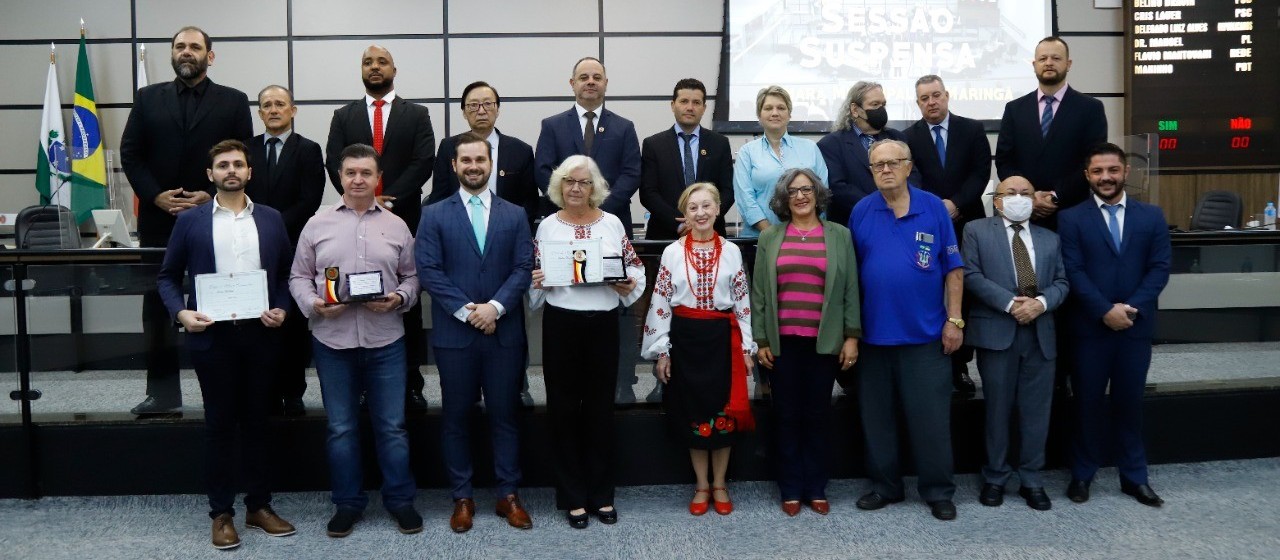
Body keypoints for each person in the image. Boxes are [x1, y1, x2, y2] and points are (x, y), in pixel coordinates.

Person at [156, 140, 295, 549]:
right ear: (210, 174)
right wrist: (181, 314)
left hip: (260, 336)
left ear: (250, 172)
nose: (231, 170)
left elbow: (286, 276)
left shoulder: (270, 219)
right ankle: (221, 514)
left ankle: (259, 507)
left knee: (257, 422)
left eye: (238, 164)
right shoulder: (191, 221)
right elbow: (166, 277)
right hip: (212, 337)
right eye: (222, 165)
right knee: (219, 426)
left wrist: (282, 309)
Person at [290, 144, 423, 537]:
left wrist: (400, 298)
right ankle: (347, 504)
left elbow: (414, 277)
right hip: (333, 342)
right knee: (341, 429)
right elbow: (298, 276)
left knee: (393, 427)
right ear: (340, 176)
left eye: (366, 173)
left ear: (378, 177)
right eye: (351, 173)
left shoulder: (397, 225)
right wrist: (314, 304)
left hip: (386, 341)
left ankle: (400, 502)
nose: (358, 179)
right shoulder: (317, 223)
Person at [120, 25, 252, 415]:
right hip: (159, 221)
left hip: (213, 218)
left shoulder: (232, 101)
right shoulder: (147, 99)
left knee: (223, 301)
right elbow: (131, 155)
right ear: (172, 54)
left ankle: (229, 392)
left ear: (209, 56)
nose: (186, 52)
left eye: (195, 47)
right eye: (180, 47)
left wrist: (210, 195)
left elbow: (243, 157)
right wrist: (155, 196)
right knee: (158, 309)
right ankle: (162, 394)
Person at [417, 133, 535, 533]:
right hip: (456, 335)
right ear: (454, 165)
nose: (472, 166)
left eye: (479, 159)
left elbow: (522, 267)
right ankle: (462, 496)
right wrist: (470, 312)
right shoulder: (433, 214)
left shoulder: (515, 213)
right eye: (465, 159)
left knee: (505, 416)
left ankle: (508, 495)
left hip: (504, 332)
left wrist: (495, 308)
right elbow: (430, 271)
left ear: (490, 163)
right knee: (456, 418)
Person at [529, 155, 646, 529]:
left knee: (599, 409)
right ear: (558, 187)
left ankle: (601, 495)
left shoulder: (611, 224)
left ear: (594, 187)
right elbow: (535, 277)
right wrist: (539, 282)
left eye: (583, 182)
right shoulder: (547, 226)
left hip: (602, 324)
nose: (576, 188)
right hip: (562, 323)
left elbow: (636, 269)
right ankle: (572, 496)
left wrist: (627, 284)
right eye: (569, 181)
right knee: (563, 410)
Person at [849, 140, 963, 521]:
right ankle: (885, 487)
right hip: (873, 340)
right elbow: (851, 278)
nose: (885, 169)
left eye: (893, 163)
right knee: (876, 421)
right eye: (877, 165)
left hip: (926, 338)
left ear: (909, 166)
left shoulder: (933, 207)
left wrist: (954, 319)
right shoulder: (861, 212)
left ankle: (938, 490)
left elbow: (954, 269)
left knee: (931, 421)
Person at [1058, 143, 1171, 507]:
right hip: (1090, 329)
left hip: (1134, 330)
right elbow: (1072, 270)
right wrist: (1105, 310)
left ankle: (1134, 477)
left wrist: (1130, 308)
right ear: (1087, 176)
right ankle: (1082, 474)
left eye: (1112, 170)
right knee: (1087, 405)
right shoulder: (1071, 218)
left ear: (1125, 172)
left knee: (1129, 404)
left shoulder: (1151, 216)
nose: (1106, 177)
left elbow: (1159, 269)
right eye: (1097, 171)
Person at [325, 44, 436, 410]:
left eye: (381, 62)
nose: (374, 67)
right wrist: (364, 194)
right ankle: (360, 381)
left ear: (394, 69)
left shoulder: (416, 114)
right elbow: (334, 161)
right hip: (354, 216)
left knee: (408, 299)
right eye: (368, 62)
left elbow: (424, 160)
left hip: (403, 215)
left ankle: (412, 382)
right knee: (359, 295)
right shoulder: (344, 115)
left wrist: (390, 197)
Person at [750, 169, 861, 517]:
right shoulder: (771, 238)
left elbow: (850, 290)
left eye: (807, 189)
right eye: (793, 191)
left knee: (816, 415)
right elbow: (759, 295)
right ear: (784, 199)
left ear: (818, 194)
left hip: (823, 343)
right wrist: (762, 339)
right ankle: (791, 487)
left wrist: (851, 337)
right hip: (781, 345)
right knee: (785, 416)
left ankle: (816, 486)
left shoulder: (839, 235)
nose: (800, 196)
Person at [641, 182, 755, 517]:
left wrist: (748, 346)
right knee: (693, 413)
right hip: (686, 341)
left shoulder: (732, 251)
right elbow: (660, 303)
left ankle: (720, 483)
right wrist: (663, 350)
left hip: (723, 340)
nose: (700, 213)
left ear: (718, 209)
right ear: (685, 214)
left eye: (707, 206)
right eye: (693, 208)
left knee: (723, 414)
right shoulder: (672, 252)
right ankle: (701, 484)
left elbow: (742, 303)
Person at [961, 176, 1069, 511]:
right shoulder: (976, 230)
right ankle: (995, 476)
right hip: (998, 331)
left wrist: (1041, 303)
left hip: (1041, 332)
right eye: (1011, 193)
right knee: (998, 410)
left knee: (1037, 412)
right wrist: (1011, 303)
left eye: (1025, 193)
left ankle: (1032, 479)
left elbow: (1063, 281)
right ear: (997, 200)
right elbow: (970, 275)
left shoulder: (1050, 239)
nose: (1019, 198)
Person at [904, 75, 993, 395]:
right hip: (925, 226)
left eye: (936, 95)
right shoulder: (908, 137)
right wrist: (935, 208)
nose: (931, 102)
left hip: (966, 221)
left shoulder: (972, 129)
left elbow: (981, 173)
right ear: (918, 103)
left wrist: (955, 204)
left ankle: (961, 367)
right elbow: (910, 178)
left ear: (947, 95)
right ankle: (932, 363)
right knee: (930, 290)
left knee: (965, 293)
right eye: (924, 98)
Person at [245, 84, 325, 416]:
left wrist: (272, 224)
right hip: (249, 244)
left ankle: (293, 391)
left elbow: (311, 199)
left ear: (293, 110)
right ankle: (260, 390)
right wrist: (257, 226)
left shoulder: (308, 149)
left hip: (293, 244)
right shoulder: (246, 149)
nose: (274, 109)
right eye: (267, 105)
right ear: (260, 113)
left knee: (290, 321)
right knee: (256, 318)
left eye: (280, 104)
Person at [995, 36, 1107, 231]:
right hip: (1023, 214)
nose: (1048, 63)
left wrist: (1056, 196)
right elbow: (1005, 160)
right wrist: (1029, 197)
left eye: (1056, 58)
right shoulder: (1015, 109)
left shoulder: (1090, 108)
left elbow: (1092, 163)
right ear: (1034, 64)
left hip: (1072, 212)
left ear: (1068, 64)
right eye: (1043, 58)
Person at [534, 57, 641, 220]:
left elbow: (632, 174)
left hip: (612, 218)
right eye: (584, 78)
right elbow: (543, 172)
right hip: (563, 218)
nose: (591, 82)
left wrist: (598, 210)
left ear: (606, 83)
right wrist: (571, 206)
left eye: (597, 78)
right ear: (572, 83)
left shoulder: (625, 128)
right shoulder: (552, 126)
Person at [427, 81, 539, 233]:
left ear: (497, 109)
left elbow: (530, 203)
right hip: (457, 233)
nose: (481, 111)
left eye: (487, 104)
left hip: (507, 233)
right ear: (464, 112)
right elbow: (439, 196)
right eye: (473, 105)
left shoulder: (520, 150)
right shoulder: (448, 147)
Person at [639, 79, 735, 240]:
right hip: (666, 235)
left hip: (710, 234)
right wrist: (680, 223)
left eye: (696, 102)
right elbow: (648, 193)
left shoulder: (720, 143)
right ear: (672, 105)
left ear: (704, 108)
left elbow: (727, 191)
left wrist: (702, 219)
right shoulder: (653, 144)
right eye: (684, 101)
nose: (690, 107)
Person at [818, 81, 921, 228]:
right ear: (855, 110)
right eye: (874, 105)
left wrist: (901, 203)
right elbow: (838, 188)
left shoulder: (898, 138)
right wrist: (880, 207)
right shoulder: (831, 144)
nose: (881, 110)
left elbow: (913, 175)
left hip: (903, 220)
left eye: (883, 105)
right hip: (857, 225)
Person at [733, 85, 829, 240]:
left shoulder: (810, 148)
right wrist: (771, 235)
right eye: (768, 108)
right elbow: (745, 199)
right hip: (760, 239)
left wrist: (806, 233)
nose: (775, 113)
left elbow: (822, 193)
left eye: (781, 108)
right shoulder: (747, 153)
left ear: (789, 114)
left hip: (806, 238)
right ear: (759, 114)